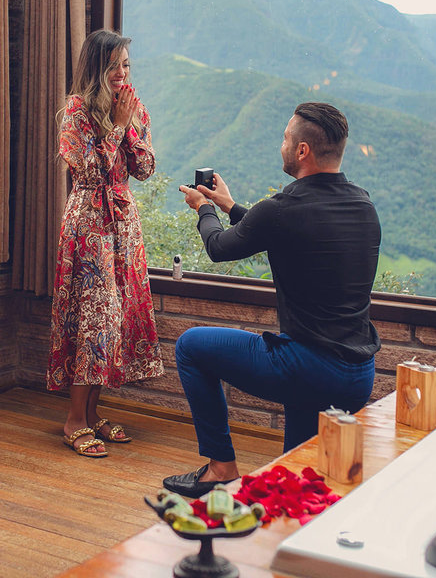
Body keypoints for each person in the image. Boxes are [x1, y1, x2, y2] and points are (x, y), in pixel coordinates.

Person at [162, 101, 381, 496]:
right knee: (295, 477)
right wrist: (229, 206)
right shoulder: (363, 204)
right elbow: (281, 230)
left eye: (285, 138)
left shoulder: (282, 209)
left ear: (302, 151)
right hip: (359, 375)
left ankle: (221, 468)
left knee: (191, 346)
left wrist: (204, 209)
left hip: (308, 367)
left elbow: (218, 247)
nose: (281, 144)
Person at [48, 29, 164, 458]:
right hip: (89, 223)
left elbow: (147, 168)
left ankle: (93, 414)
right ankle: (74, 419)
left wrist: (128, 125)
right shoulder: (74, 114)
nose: (121, 73)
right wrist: (115, 127)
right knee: (94, 317)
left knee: (114, 321)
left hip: (123, 224)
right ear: (96, 67)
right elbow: (92, 173)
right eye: (113, 65)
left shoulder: (133, 108)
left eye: (127, 65)